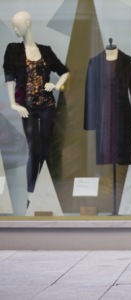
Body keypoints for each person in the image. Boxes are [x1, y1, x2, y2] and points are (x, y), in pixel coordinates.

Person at [3, 11, 69, 207]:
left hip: (47, 106)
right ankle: (31, 193)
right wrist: (14, 103)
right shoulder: (13, 50)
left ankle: (48, 192)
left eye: (18, 25)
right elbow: (9, 78)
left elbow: (64, 72)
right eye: (13, 26)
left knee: (47, 149)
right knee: (34, 149)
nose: (15, 29)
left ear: (28, 24)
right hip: (27, 107)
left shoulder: (46, 51)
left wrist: (56, 86)